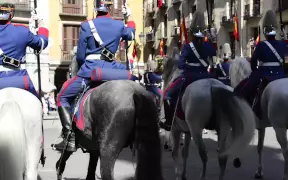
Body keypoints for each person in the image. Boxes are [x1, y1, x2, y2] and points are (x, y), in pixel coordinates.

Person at [53, 0, 139, 152]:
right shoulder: (119, 25)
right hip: (114, 71)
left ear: (95, 8)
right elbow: (131, 34)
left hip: (90, 71)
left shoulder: (87, 25)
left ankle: (70, 138)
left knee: (62, 97)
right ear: (110, 8)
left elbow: (80, 56)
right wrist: (129, 17)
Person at [159, 11, 216, 131]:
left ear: (192, 33)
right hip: (207, 76)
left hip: (190, 76)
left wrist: (187, 67)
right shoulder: (208, 46)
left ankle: (169, 122)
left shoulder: (188, 47)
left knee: (167, 95)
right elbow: (213, 58)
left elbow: (180, 65)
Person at [234, 10, 288, 110]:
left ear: (264, 31)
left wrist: (255, 71)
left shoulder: (261, 45)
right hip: (281, 74)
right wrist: (285, 39)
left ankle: (249, 109)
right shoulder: (282, 44)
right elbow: (285, 57)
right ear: (276, 30)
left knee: (241, 90)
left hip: (264, 74)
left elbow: (254, 62)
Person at [0, 3, 49, 98]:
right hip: (20, 80)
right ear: (11, 15)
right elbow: (42, 43)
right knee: (37, 105)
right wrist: (42, 27)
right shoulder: (22, 31)